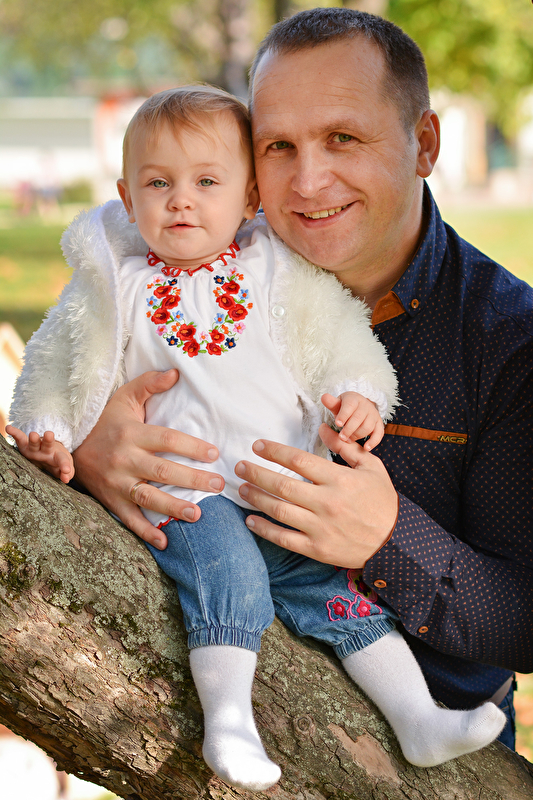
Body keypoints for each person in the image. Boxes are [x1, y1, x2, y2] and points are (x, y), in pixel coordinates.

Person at [8, 84, 507, 789]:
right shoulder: (114, 286)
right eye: (158, 184)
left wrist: (360, 392)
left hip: (282, 490)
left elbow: (334, 333)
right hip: (191, 494)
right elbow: (58, 362)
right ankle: (229, 724)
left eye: (206, 183)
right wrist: (52, 430)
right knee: (230, 580)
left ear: (249, 199)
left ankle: (419, 720)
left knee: (341, 599)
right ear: (126, 196)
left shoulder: (274, 267)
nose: (181, 202)